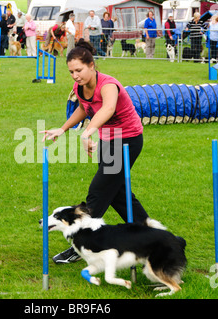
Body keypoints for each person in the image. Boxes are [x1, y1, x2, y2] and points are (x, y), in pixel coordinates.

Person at [40, 39, 163, 264]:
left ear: (92, 66)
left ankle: (82, 243)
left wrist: (87, 134)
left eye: (79, 70)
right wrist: (63, 128)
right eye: (71, 72)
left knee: (98, 191)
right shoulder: (79, 87)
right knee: (117, 193)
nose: (75, 75)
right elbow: (83, 108)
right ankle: (151, 237)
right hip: (108, 140)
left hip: (127, 139)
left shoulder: (108, 85)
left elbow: (108, 108)